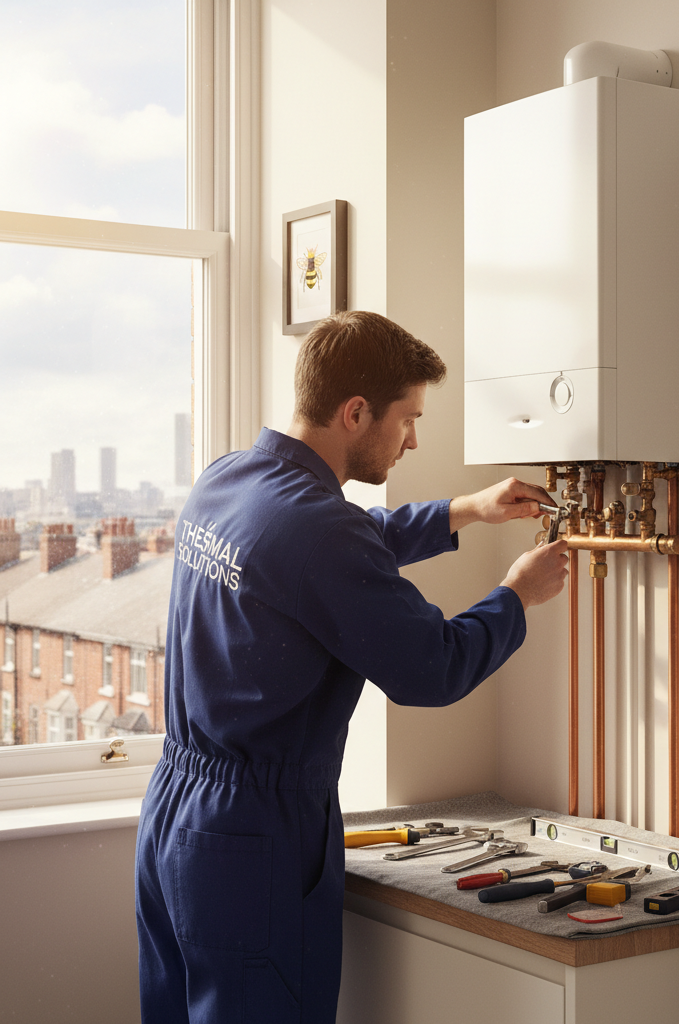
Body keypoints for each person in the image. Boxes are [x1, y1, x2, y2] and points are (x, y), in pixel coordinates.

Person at [135, 310, 568, 1023]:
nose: (415, 439)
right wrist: (517, 597)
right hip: (256, 835)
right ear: (355, 411)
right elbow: (432, 669)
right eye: (408, 419)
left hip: (176, 818)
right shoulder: (318, 528)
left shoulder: (231, 479)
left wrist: (467, 510)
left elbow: (342, 545)